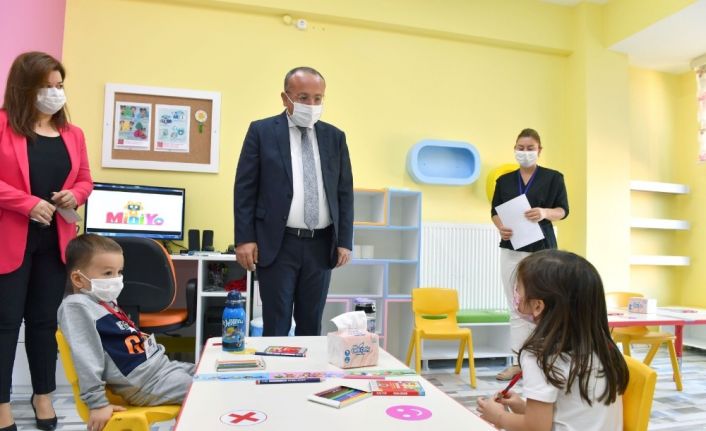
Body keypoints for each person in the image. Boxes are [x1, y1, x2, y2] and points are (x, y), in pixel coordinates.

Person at [0, 51, 93, 431]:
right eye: (46, 86)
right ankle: (2, 403)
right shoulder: (3, 125)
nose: (55, 93)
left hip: (55, 242)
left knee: (43, 322)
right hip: (10, 241)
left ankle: (43, 396)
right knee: (5, 324)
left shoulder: (73, 134)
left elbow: (85, 179)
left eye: (59, 85)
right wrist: (26, 203)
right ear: (24, 88)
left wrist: (76, 195)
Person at [234, 66, 354, 336]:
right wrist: (244, 238)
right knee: (276, 323)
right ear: (285, 98)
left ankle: (308, 366)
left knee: (311, 324)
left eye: (317, 98)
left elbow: (344, 192)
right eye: (303, 97)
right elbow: (245, 189)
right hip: (277, 243)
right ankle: (274, 365)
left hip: (321, 244)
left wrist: (345, 240)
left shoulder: (335, 137)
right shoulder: (262, 131)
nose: (311, 105)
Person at [476, 250, 629, 430]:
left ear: (538, 306)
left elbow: (536, 428)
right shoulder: (604, 347)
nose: (515, 293)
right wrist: (523, 408)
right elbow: (571, 413)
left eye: (518, 288)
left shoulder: (541, 355)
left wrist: (498, 417)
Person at [58, 234, 194, 431]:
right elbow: (86, 356)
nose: (116, 280)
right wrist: (97, 403)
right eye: (107, 273)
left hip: (160, 368)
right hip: (145, 383)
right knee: (206, 389)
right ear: (78, 279)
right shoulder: (76, 306)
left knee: (209, 373)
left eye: (119, 272)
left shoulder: (103, 300)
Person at [490, 128, 568, 380]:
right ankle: (518, 362)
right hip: (512, 249)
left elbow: (563, 210)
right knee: (516, 307)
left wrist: (544, 212)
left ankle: (545, 360)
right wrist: (500, 227)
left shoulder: (553, 178)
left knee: (544, 306)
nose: (525, 152)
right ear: (514, 149)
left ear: (539, 150)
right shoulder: (504, 181)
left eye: (530, 148)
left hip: (542, 250)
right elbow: (495, 211)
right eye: (520, 148)